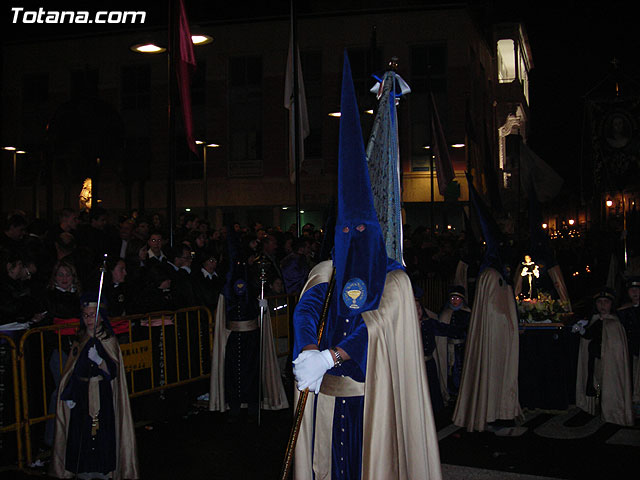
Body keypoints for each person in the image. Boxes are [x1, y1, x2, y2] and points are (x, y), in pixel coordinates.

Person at [291, 53, 441, 479]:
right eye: (346, 228)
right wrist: (306, 351)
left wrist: (333, 356)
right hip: (326, 394)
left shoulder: (393, 277)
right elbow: (308, 306)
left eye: (361, 228)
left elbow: (379, 324)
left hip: (369, 396)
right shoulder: (329, 268)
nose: (351, 235)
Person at [49, 293, 139, 479]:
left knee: (101, 431)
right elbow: (71, 372)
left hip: (102, 392)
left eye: (93, 315)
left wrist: (100, 361)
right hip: (81, 394)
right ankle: (82, 469)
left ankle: (103, 468)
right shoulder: (80, 339)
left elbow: (114, 370)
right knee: (80, 433)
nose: (89, 319)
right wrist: (69, 395)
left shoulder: (107, 339)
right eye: (86, 315)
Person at [575, 287, 633, 426]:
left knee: (610, 383)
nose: (602, 305)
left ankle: (612, 412)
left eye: (606, 302)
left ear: (611, 304)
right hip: (595, 359)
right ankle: (592, 407)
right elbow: (589, 337)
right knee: (594, 384)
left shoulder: (615, 324)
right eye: (599, 302)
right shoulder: (594, 320)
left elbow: (617, 349)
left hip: (609, 362)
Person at [435, 285, 471, 404]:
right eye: (452, 298)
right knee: (450, 371)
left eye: (457, 298)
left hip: (463, 347)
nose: (454, 301)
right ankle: (451, 393)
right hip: (448, 348)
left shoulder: (467, 313)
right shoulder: (445, 314)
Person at [617, 276, 640, 416]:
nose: (635, 292)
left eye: (637, 289)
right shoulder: (623, 310)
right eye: (632, 289)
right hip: (630, 351)